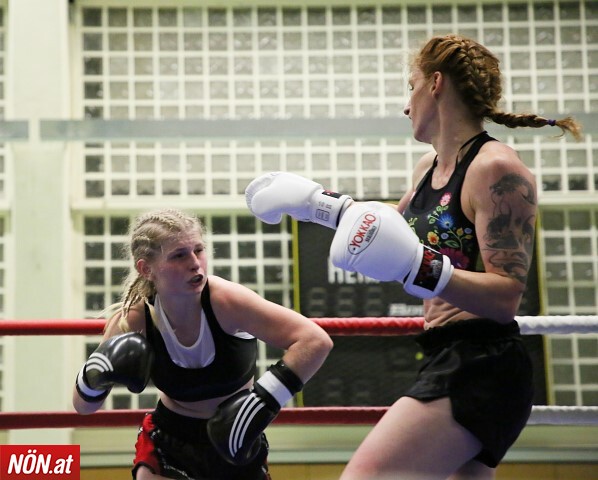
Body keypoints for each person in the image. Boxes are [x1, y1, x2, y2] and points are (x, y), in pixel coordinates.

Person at [245, 34, 582, 480]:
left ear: (436, 83)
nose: (407, 106)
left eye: (412, 86)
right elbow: (388, 226)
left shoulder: (496, 169)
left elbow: (506, 297)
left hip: (483, 363)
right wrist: (318, 204)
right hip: (448, 353)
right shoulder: (429, 168)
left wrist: (419, 268)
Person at [72, 208, 333, 480]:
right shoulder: (135, 320)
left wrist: (261, 401)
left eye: (198, 250)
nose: (195, 263)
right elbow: (83, 406)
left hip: (236, 437)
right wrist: (95, 374)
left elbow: (314, 340)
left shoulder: (227, 302)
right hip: (170, 438)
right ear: (146, 269)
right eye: (179, 255)